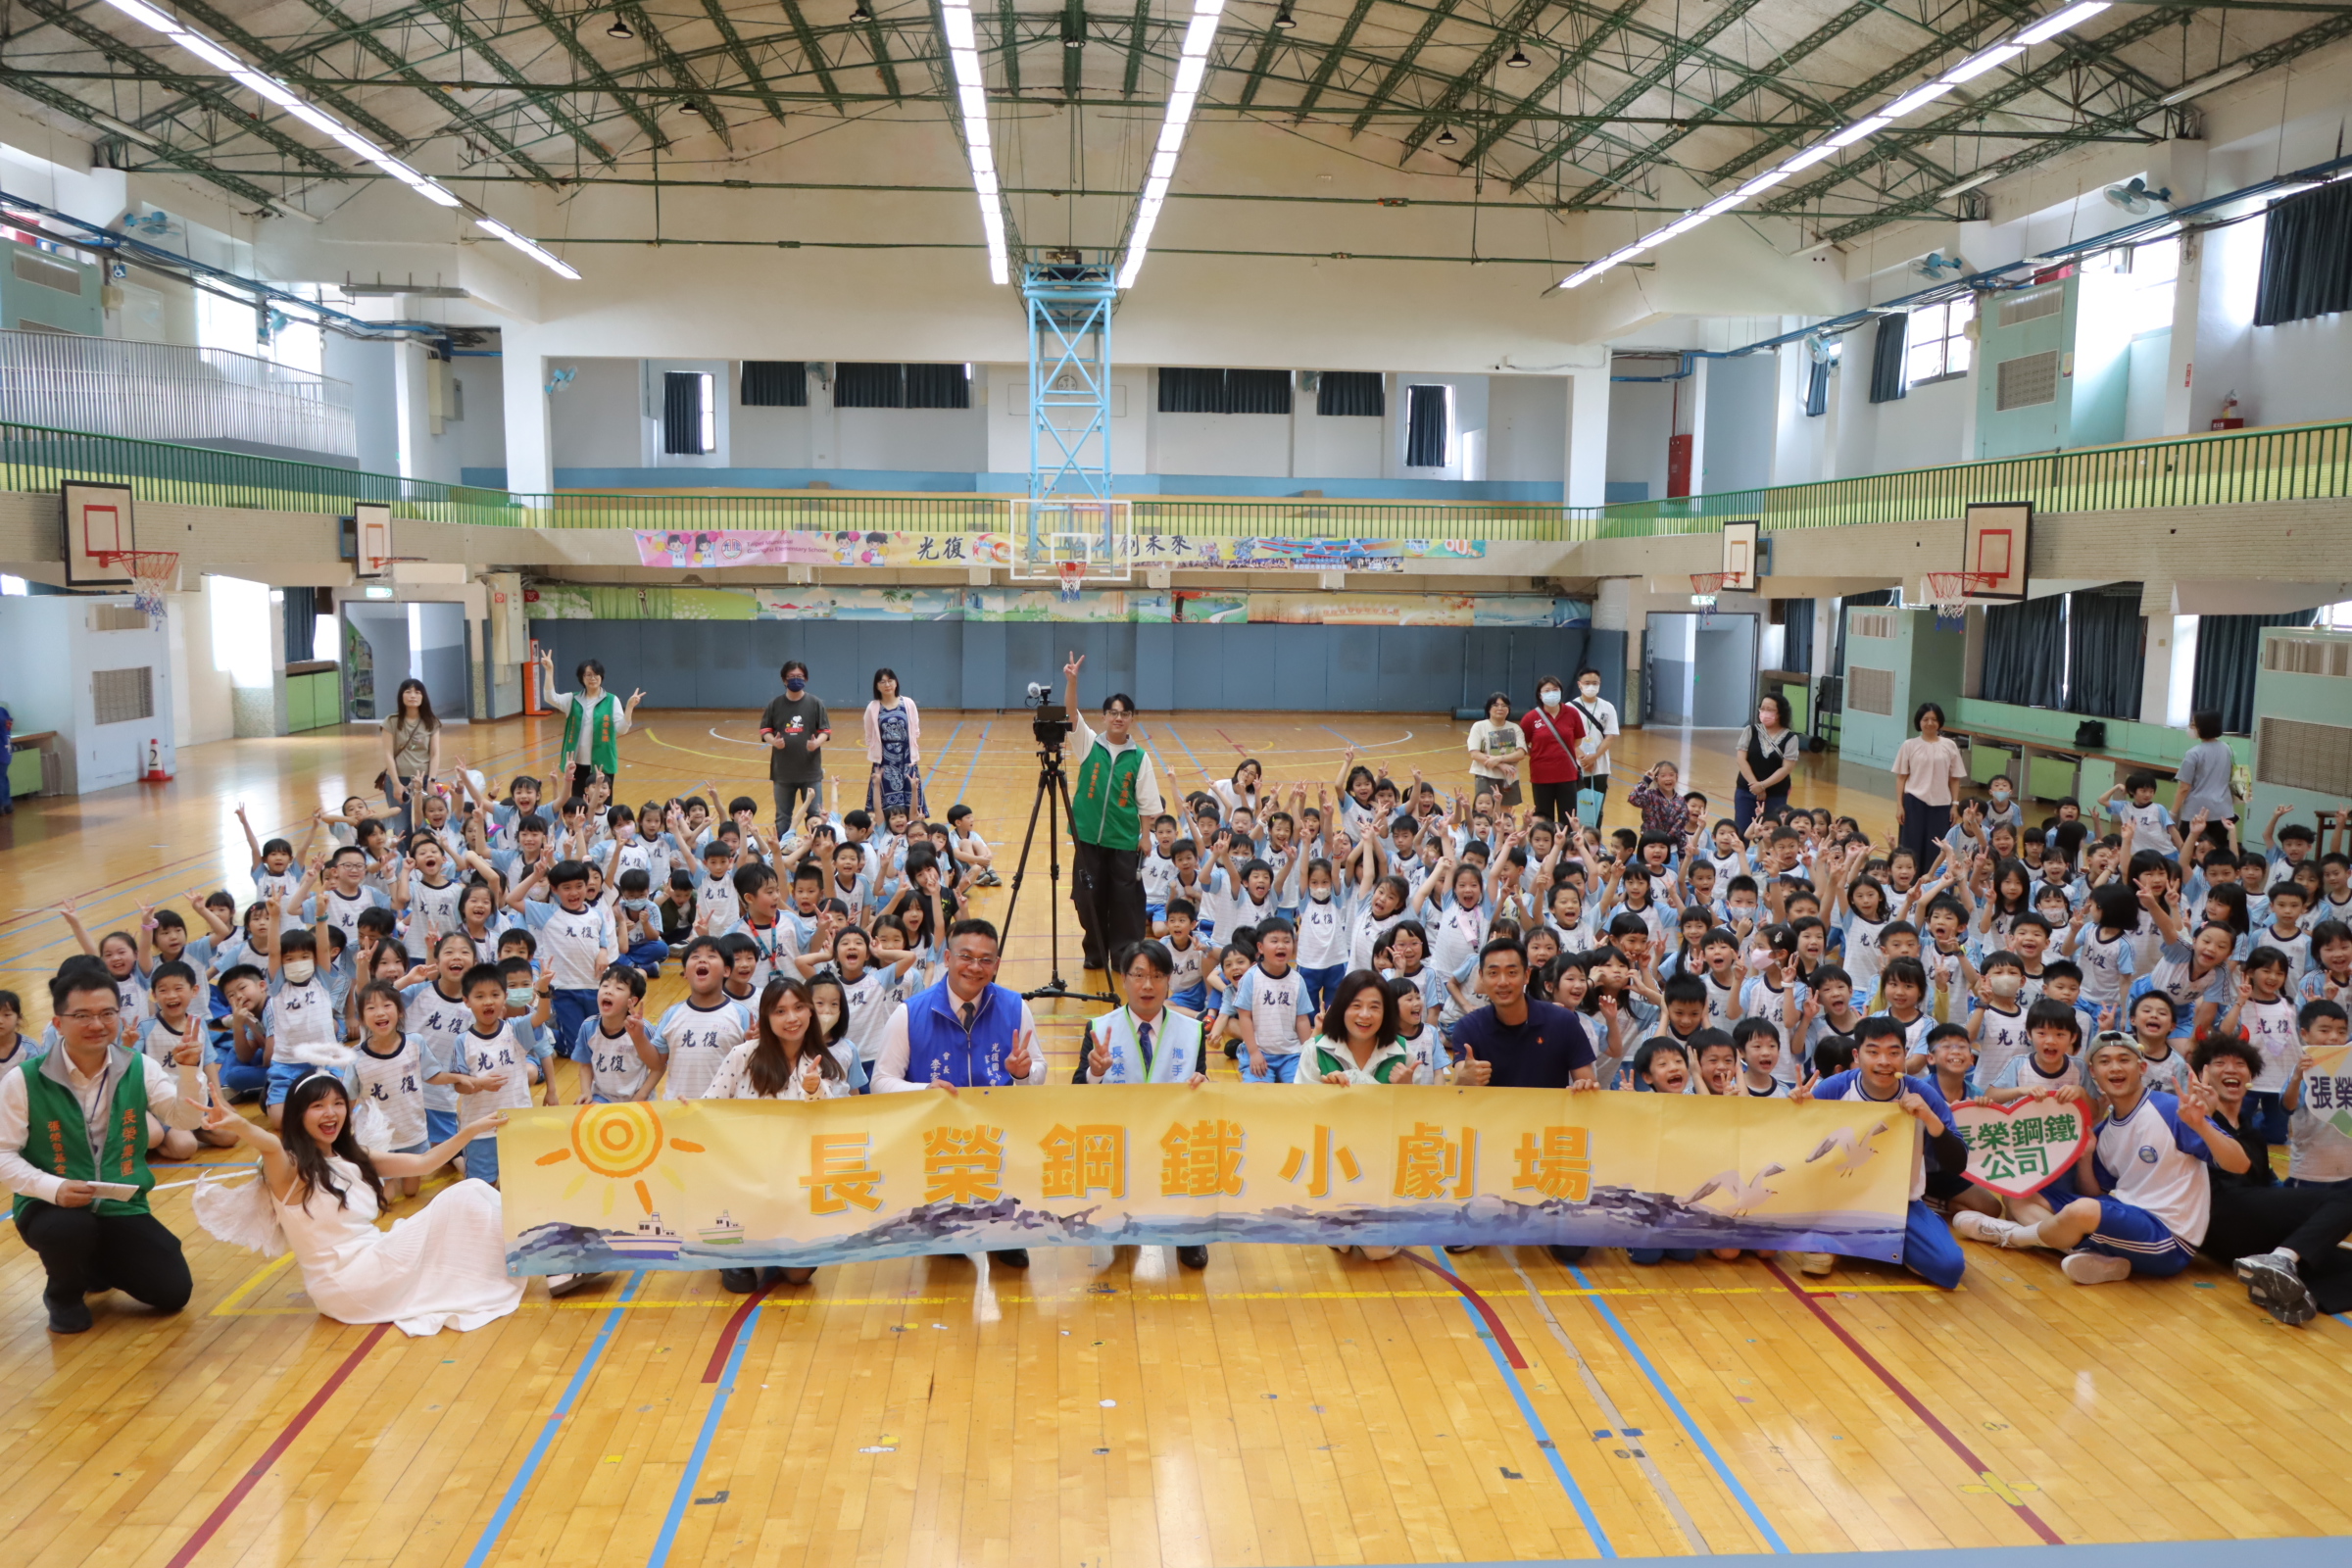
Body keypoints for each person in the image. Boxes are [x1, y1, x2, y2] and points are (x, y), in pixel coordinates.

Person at [192, 1068, 596, 1334]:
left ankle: (554, 1256)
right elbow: (268, 1144)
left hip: (370, 1264)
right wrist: (240, 1124)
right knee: (468, 1194)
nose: (330, 1113)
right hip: (350, 1281)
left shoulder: (351, 1156)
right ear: (298, 1116)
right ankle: (556, 1260)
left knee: (469, 1195)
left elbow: (424, 1162)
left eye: (337, 1103)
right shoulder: (289, 1169)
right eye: (317, 1106)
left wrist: (470, 1130)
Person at [1952, 1031, 2248, 1285]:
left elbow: (2240, 1164)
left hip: (2169, 1240)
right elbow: (2095, 1193)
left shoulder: (2171, 1110)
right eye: (2105, 1061)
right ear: (2093, 1072)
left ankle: (2013, 1236)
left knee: (2081, 1212)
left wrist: (2201, 1126)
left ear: (2142, 1067)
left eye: (2124, 1059)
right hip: (2126, 1213)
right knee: (2020, 1196)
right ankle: (2085, 1255)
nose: (2115, 1067)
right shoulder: (2104, 1131)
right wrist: (2086, 1157)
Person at [0, 971, 207, 1333]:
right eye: (82, 1015)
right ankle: (64, 1295)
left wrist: (190, 1071)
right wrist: (54, 1188)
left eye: (107, 1013)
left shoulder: (139, 1066)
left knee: (172, 1291)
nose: (97, 1024)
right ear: (58, 1023)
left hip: (119, 1202)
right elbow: (3, 1154)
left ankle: (91, 1265)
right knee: (69, 1227)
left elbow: (185, 1118)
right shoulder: (23, 1079)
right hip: (50, 1207)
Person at [870, 919, 1044, 1267]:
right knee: (945, 1242)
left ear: (996, 965)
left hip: (996, 1135)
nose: (975, 967)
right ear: (948, 957)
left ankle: (1004, 1236)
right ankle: (945, 1229)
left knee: (1003, 1192)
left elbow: (1037, 1071)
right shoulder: (910, 1013)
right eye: (966, 956)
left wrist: (1023, 1073)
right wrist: (925, 1089)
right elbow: (881, 1081)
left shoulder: (1015, 1007)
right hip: (939, 1140)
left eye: (985, 960)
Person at [1449, 937, 1598, 1264]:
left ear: (1527, 975)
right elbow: (1459, 1085)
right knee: (1466, 1232)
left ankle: (1537, 1205)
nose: (1503, 981)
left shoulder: (1562, 1022)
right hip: (1494, 1145)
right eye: (1493, 973)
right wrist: (1465, 1078)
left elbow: (1587, 1080)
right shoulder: (1469, 1028)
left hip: (1550, 1147)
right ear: (1481, 978)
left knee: (1572, 1251)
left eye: (1512, 972)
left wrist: (1585, 1086)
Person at [1792, 1014, 1969, 1289]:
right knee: (1815, 1263)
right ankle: (1864, 1241)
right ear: (1857, 1055)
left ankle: (1871, 1242)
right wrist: (1797, 1111)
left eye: (1893, 1053)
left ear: (1905, 1055)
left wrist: (1929, 1118)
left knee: (1949, 1267)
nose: (1884, 1061)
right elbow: (1797, 1148)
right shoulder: (1837, 1087)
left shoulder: (1922, 1094)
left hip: (1899, 1203)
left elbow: (1958, 1163)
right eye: (1873, 1052)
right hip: (1838, 1200)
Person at [704, 977, 844, 1293]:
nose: (791, 1018)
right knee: (742, 1284)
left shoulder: (822, 1063)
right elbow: (710, 1107)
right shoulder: (743, 1055)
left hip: (794, 1183)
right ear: (766, 1017)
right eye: (780, 1011)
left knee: (799, 1275)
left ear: (810, 1012)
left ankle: (775, 1242)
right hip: (744, 1180)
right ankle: (733, 1251)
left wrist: (814, 1089)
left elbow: (830, 1123)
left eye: (798, 1008)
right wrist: (687, 1109)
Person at [1084, 941, 1210, 1267]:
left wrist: (1204, 1084)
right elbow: (1078, 1093)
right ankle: (1122, 1219)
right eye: (1138, 975)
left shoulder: (1192, 1031)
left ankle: (1188, 1234)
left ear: (1169, 980)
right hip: (1122, 1134)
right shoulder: (1100, 1029)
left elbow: (1201, 1081)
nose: (1148, 985)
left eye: (1157, 976)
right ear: (1123, 979)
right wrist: (1095, 1073)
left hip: (1173, 1134)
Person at [1061, 652, 1161, 973]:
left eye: (1124, 713)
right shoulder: (1089, 744)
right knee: (1087, 898)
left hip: (1123, 842)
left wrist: (1145, 837)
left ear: (1131, 718)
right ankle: (1095, 951)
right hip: (1088, 838)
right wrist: (1072, 682)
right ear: (1104, 717)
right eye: (1113, 713)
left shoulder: (1140, 757)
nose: (1118, 718)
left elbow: (1147, 803)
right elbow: (1071, 714)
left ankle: (1122, 956)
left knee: (1124, 903)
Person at [539, 653, 643, 800]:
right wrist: (549, 671)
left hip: (603, 763)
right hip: (577, 763)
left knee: (603, 804)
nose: (592, 678)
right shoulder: (572, 699)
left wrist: (630, 708)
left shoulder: (611, 700)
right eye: (588, 675)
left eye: (596, 674)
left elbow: (622, 729)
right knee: (579, 803)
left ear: (601, 677)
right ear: (582, 678)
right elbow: (550, 697)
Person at [1891, 702, 1967, 874]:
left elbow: (1954, 778)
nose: (1930, 723)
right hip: (1914, 802)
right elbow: (1901, 777)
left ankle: (1934, 882)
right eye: (1925, 719)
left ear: (1940, 722)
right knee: (1911, 846)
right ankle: (1909, 883)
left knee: (1938, 847)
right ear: (1919, 722)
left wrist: (1955, 805)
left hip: (1942, 804)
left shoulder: (1949, 745)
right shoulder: (1909, 745)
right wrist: (1900, 805)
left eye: (1934, 719)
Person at [760, 661, 830, 842]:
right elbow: (765, 730)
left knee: (815, 814)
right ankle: (784, 849)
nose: (795, 680)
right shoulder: (775, 704)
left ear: (806, 679)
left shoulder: (815, 703)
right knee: (783, 816)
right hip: (783, 773)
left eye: (799, 676)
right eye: (791, 677)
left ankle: (816, 849)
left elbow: (825, 730)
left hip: (810, 772)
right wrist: (774, 742)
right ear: (784, 680)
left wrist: (816, 744)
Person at [1517, 676, 1587, 828]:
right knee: (1544, 819)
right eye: (1547, 690)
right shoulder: (1531, 718)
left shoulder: (1572, 713)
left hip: (1567, 775)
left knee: (1568, 818)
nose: (1552, 693)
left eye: (1555, 690)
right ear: (1540, 695)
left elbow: (1577, 740)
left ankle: (1566, 843)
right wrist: (1537, 753)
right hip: (1541, 775)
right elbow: (1521, 743)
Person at [378, 678, 442, 836]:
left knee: (427, 823)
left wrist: (432, 780)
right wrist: (396, 783)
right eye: (408, 692)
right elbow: (388, 754)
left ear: (423, 696)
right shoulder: (391, 721)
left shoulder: (431, 722)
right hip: (399, 778)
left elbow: (435, 753)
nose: (413, 695)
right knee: (401, 826)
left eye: (417, 692)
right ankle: (404, 853)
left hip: (425, 778)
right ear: (401, 696)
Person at [1733, 693, 1802, 834]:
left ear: (1780, 712)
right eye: (1762, 708)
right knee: (1742, 831)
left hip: (1776, 794)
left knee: (1772, 833)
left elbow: (1786, 768)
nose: (1764, 712)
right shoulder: (1750, 731)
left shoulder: (1791, 738)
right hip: (1746, 791)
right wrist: (1756, 786)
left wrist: (1763, 785)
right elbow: (1741, 759)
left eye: (1770, 709)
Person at [863, 667, 923, 822]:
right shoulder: (873, 707)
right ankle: (886, 829)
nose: (887, 685)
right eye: (882, 682)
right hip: (884, 760)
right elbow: (869, 735)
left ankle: (911, 826)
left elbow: (915, 730)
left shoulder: (908, 703)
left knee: (911, 794)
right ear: (877, 686)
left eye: (890, 681)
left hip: (906, 757)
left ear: (896, 683)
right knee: (884, 797)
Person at [2175, 709, 2239, 831]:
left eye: (2193, 725)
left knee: (2190, 843)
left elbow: (2184, 787)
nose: (2190, 728)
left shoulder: (2193, 753)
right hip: (2223, 811)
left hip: (2196, 812)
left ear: (2202, 727)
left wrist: (2173, 811)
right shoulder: (2228, 749)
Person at [1464, 693, 1526, 808]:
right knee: (1486, 811)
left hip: (1509, 778)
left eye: (1504, 705)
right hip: (1485, 776)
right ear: (1489, 708)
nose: (1500, 708)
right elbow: (1475, 754)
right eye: (1496, 705)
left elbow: (1521, 753)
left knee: (1506, 813)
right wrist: (1501, 765)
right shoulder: (1479, 726)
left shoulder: (1515, 728)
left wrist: (1499, 759)